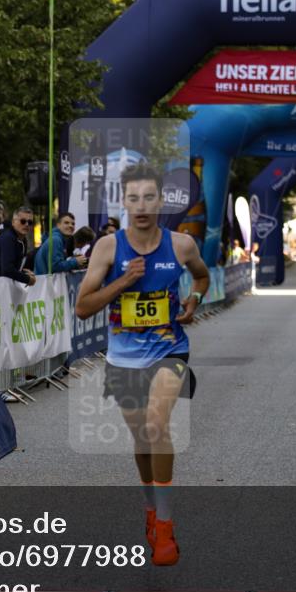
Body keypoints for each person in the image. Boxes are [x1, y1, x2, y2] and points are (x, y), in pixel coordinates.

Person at [75, 163, 209, 567]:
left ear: (161, 201)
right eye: (133, 198)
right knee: (140, 439)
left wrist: (194, 301)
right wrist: (122, 283)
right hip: (123, 358)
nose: (142, 205)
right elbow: (82, 307)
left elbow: (200, 279)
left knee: (156, 424)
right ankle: (151, 508)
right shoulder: (108, 248)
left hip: (171, 351)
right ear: (124, 202)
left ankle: (165, 528)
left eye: (149, 197)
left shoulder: (181, 245)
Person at [0, 206, 36, 286]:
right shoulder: (8, 238)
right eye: (23, 221)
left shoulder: (23, 239)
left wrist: (26, 273)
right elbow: (7, 269)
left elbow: (15, 266)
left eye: (30, 222)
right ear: (13, 222)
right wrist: (28, 279)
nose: (27, 224)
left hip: (6, 286)